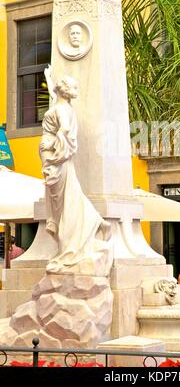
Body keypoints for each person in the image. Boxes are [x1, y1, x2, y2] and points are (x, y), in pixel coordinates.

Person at [40, 71, 112, 275]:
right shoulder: (65, 107)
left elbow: (63, 128)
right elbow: (57, 106)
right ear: (64, 91)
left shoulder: (63, 110)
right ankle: (95, 223)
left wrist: (56, 149)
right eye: (73, 87)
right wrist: (49, 80)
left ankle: (84, 230)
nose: (76, 91)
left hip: (54, 154)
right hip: (56, 154)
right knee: (69, 196)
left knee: (62, 202)